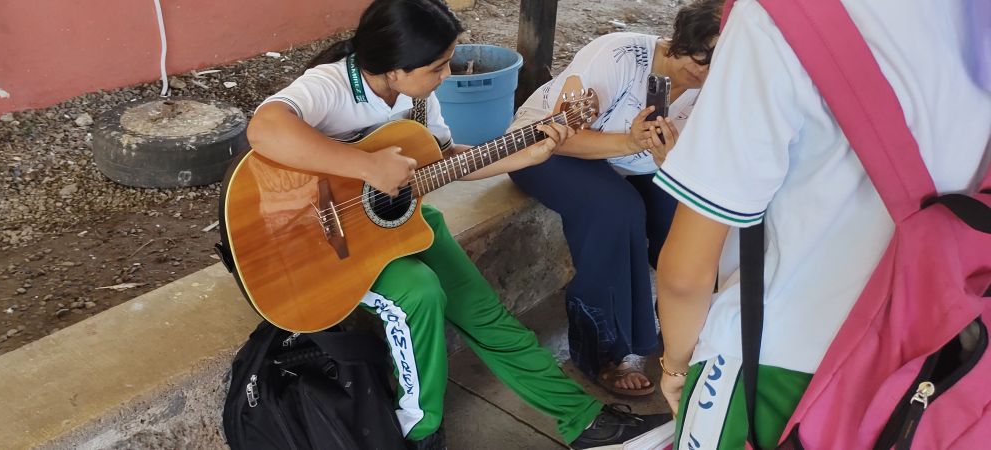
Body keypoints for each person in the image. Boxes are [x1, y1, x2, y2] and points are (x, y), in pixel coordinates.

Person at [246, 1, 662, 449]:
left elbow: (444, 163)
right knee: (420, 292)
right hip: (316, 245)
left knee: (486, 315)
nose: (448, 75)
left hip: (401, 223)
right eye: (438, 66)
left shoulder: (417, 98)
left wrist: (528, 153)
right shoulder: (331, 84)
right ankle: (419, 433)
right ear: (394, 68)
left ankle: (583, 420)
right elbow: (264, 129)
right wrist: (365, 167)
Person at [652, 0, 991, 447]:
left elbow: (685, 273)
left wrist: (676, 365)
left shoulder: (774, 16)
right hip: (935, 363)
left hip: (773, 365)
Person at [507, 0, 723, 397]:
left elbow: (697, 165)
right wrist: (629, 141)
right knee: (615, 209)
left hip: (632, 166)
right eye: (701, 54)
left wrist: (670, 162)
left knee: (683, 216)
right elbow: (560, 134)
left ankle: (688, 330)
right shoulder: (620, 55)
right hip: (542, 150)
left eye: (719, 63)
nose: (705, 70)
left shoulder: (716, 90)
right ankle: (604, 350)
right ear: (682, 38)